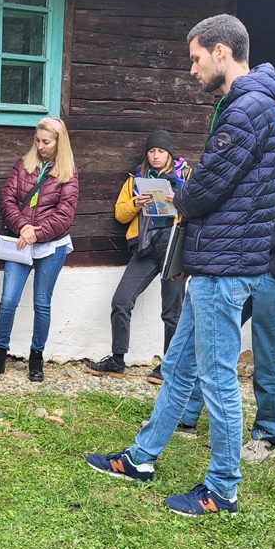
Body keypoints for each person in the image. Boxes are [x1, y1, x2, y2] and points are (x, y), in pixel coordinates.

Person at [85, 14, 275, 516]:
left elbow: (206, 190)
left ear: (221, 52)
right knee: (177, 367)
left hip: (224, 267)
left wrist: (178, 193)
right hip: (218, 261)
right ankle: (142, 458)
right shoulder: (250, 105)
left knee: (217, 378)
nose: (191, 69)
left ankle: (222, 489)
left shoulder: (246, 108)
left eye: (195, 58)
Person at [175, 85, 275, 462]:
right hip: (242, 265)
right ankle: (186, 417)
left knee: (269, 352)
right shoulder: (270, 152)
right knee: (209, 340)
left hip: (274, 275)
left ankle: (267, 436)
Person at [83, 131, 191, 383]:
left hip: (174, 247)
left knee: (172, 312)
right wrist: (136, 203)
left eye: (161, 151)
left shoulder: (186, 175)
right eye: (152, 151)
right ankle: (117, 361)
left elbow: (199, 208)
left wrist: (180, 199)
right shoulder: (136, 179)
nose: (155, 155)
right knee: (121, 300)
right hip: (146, 247)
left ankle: (169, 366)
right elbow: (120, 214)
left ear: (169, 154)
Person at [0, 116, 79, 382]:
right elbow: (7, 200)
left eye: (46, 142)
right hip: (20, 243)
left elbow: (64, 214)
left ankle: (36, 358)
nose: (41, 146)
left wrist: (37, 233)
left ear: (60, 143)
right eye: (37, 140)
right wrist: (23, 226)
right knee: (9, 300)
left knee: (42, 303)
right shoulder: (23, 166)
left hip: (51, 246)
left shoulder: (69, 173)